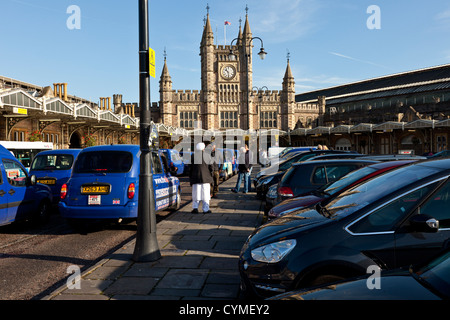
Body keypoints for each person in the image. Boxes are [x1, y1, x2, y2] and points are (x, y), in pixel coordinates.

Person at [189, 142, 214, 214]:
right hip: (206, 178)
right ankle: (205, 209)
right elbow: (211, 167)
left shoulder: (193, 156)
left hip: (195, 178)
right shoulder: (207, 155)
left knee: (195, 194)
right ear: (203, 148)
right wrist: (210, 175)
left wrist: (191, 177)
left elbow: (190, 168)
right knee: (205, 194)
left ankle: (195, 208)